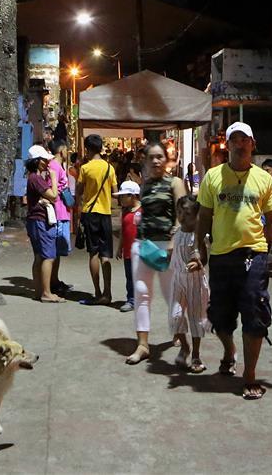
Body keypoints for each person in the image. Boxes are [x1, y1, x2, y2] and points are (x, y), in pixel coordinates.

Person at [195, 122, 272, 400]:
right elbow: (204, 215)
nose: (239, 144)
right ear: (227, 145)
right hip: (221, 255)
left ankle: (249, 375)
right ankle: (229, 350)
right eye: (234, 140)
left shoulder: (264, 179)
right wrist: (200, 247)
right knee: (219, 317)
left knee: (255, 313)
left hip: (254, 253)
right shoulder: (213, 177)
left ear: (253, 143)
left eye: (244, 139)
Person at [125, 142, 188, 364]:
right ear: (145, 160)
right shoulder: (145, 185)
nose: (155, 161)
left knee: (172, 295)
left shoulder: (175, 182)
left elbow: (183, 211)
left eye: (159, 156)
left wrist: (174, 240)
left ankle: (182, 341)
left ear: (166, 158)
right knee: (141, 293)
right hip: (143, 245)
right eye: (151, 157)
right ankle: (142, 345)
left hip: (166, 247)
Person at [76, 134, 118, 305]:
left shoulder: (85, 169)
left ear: (88, 149)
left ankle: (97, 292)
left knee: (93, 253)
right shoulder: (110, 168)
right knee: (105, 254)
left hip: (90, 213)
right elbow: (115, 193)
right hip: (105, 213)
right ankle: (108, 294)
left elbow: (78, 191)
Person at [170, 196, 210, 373]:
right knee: (175, 316)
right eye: (179, 212)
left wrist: (198, 262)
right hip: (178, 280)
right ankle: (184, 346)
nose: (182, 217)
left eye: (187, 214)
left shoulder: (198, 236)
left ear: (196, 216)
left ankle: (196, 354)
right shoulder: (177, 232)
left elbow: (204, 256)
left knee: (196, 320)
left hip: (195, 283)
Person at [24, 144, 64, 303]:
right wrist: (54, 178)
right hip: (40, 221)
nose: (48, 163)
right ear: (37, 161)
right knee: (48, 256)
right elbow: (54, 196)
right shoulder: (36, 178)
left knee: (39, 256)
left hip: (34, 221)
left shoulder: (34, 178)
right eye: (44, 160)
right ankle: (46, 292)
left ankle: (39, 291)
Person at [48, 139, 73, 296]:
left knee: (58, 251)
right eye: (66, 149)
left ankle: (55, 280)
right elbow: (53, 191)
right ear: (61, 150)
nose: (68, 152)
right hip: (58, 212)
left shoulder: (58, 166)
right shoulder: (54, 166)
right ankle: (52, 282)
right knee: (55, 250)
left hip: (63, 211)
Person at [116, 180, 142, 313]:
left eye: (123, 196)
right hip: (127, 251)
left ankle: (139, 299)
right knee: (130, 277)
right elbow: (122, 230)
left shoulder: (143, 211)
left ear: (132, 196)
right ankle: (131, 299)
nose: (121, 199)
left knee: (140, 277)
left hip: (140, 252)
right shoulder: (125, 211)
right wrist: (119, 247)